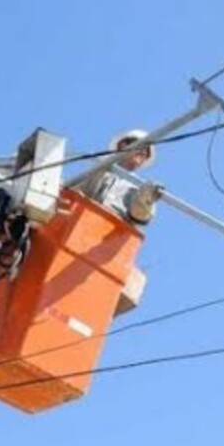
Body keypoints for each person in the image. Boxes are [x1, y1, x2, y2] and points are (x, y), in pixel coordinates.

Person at [77, 129, 163, 315]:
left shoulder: (139, 188)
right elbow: (75, 195)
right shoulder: (99, 171)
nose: (142, 153)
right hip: (80, 232)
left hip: (107, 243)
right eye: (140, 147)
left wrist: (147, 198)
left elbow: (140, 216)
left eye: (145, 152)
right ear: (122, 146)